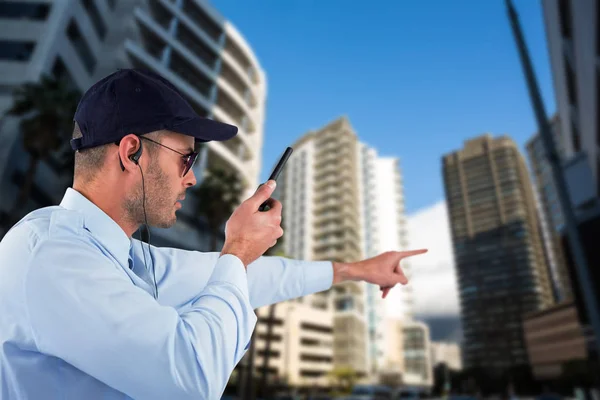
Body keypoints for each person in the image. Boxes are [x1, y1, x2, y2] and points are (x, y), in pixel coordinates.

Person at [0, 69, 426, 400]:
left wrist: (358, 271)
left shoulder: (121, 256)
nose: (193, 179)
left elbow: (245, 278)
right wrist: (237, 250)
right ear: (131, 153)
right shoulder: (53, 254)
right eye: (186, 159)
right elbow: (191, 378)